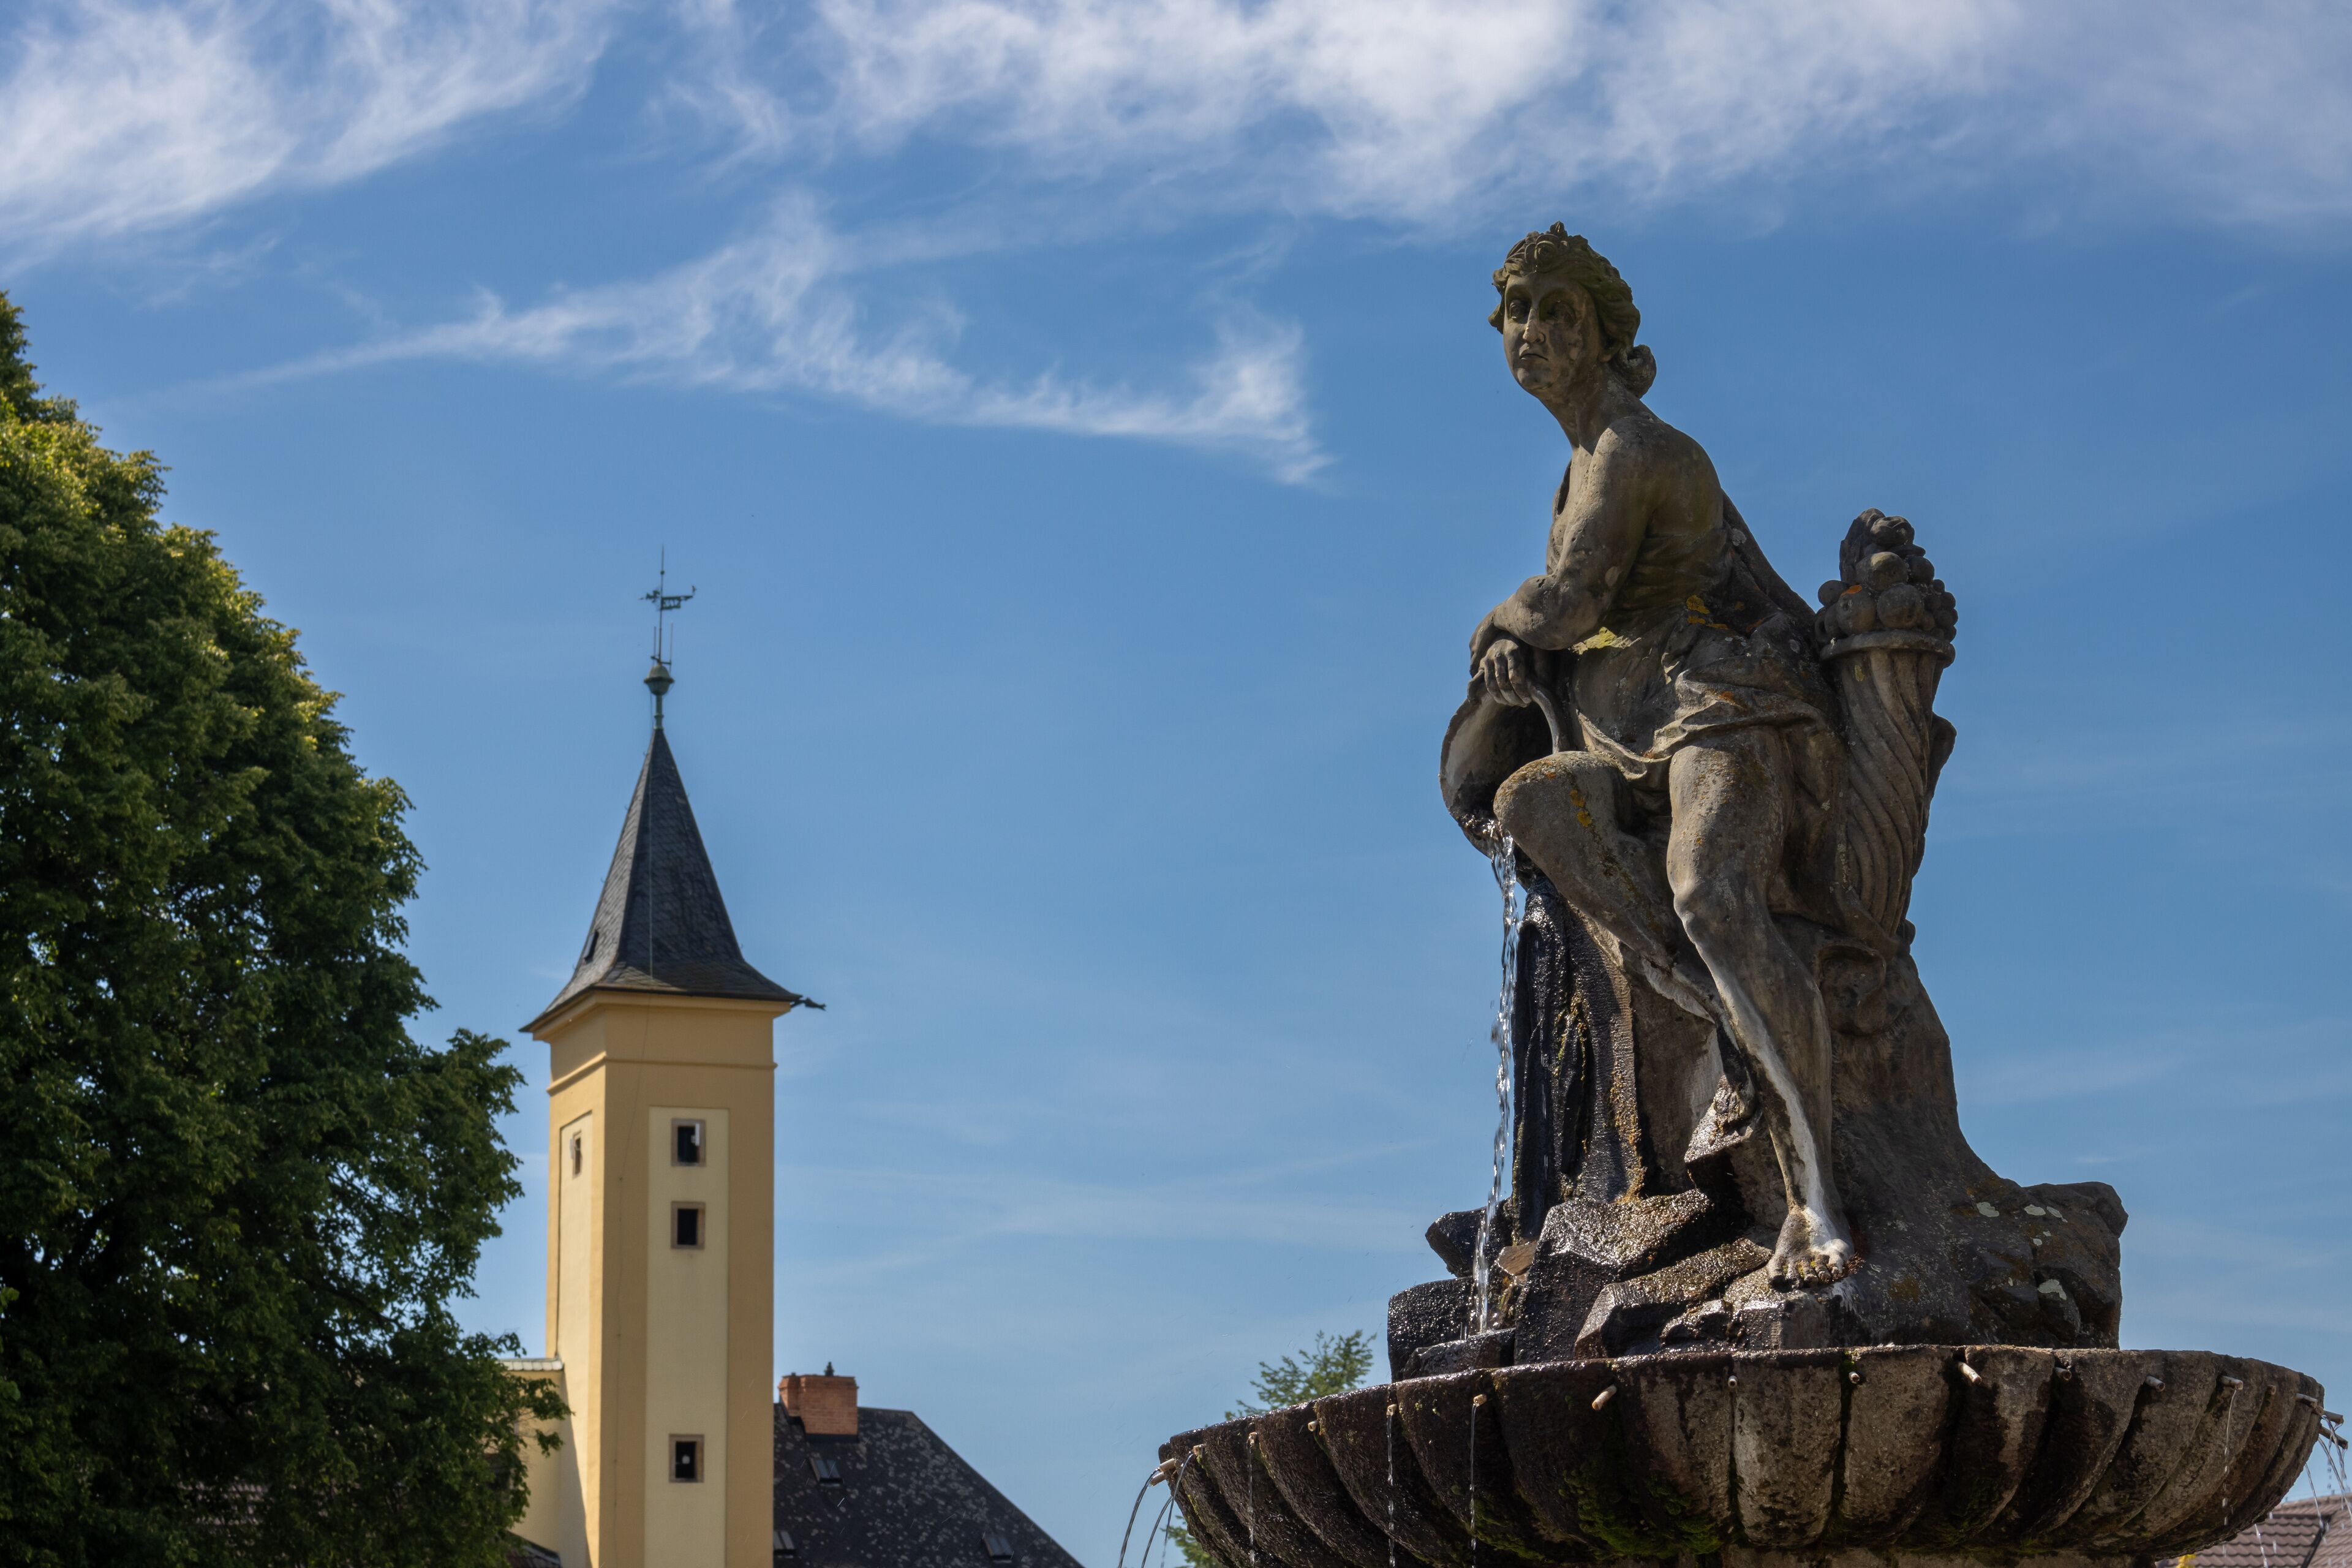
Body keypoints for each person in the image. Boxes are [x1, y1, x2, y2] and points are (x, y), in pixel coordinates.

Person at [1464, 226, 1853, 1288]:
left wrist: (1501, 621)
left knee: (1709, 891)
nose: (1530, 332)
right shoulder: (1578, 463)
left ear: (1602, 333)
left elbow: (1572, 599)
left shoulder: (1634, 448)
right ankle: (1719, 1010)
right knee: (1535, 803)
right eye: (1515, 314)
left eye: (1555, 311)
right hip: (1628, 720)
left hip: (1722, 705)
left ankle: (1817, 1196)